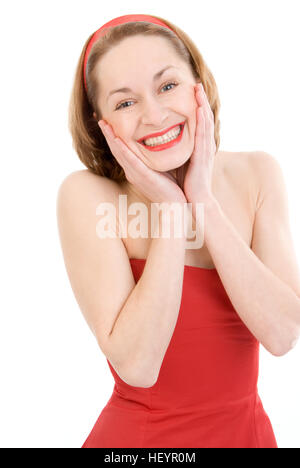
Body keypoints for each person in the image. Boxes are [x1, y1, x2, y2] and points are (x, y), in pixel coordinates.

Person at [56, 13, 300, 448]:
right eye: (125, 102)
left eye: (167, 86)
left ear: (197, 86)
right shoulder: (87, 196)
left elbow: (283, 334)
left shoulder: (258, 174)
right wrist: (171, 208)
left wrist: (201, 200)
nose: (154, 114)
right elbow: (138, 364)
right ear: (101, 123)